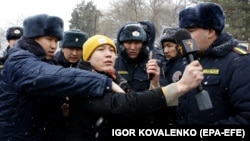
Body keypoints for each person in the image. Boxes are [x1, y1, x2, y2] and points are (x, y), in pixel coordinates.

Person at [46, 34, 204, 141]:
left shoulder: (113, 76)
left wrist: (154, 84)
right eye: (100, 50)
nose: (108, 54)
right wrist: (180, 86)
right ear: (87, 57)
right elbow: (123, 105)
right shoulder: (80, 80)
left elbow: (138, 109)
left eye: (111, 50)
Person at [0, 13, 126, 141]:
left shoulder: (47, 61)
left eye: (56, 41)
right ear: (33, 38)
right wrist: (103, 82)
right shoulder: (18, 60)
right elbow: (48, 76)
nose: (53, 46)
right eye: (49, 39)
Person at [177, 2, 250, 125]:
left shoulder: (239, 62)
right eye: (183, 32)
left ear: (210, 32)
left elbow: (246, 117)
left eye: (190, 30)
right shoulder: (188, 59)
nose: (185, 38)